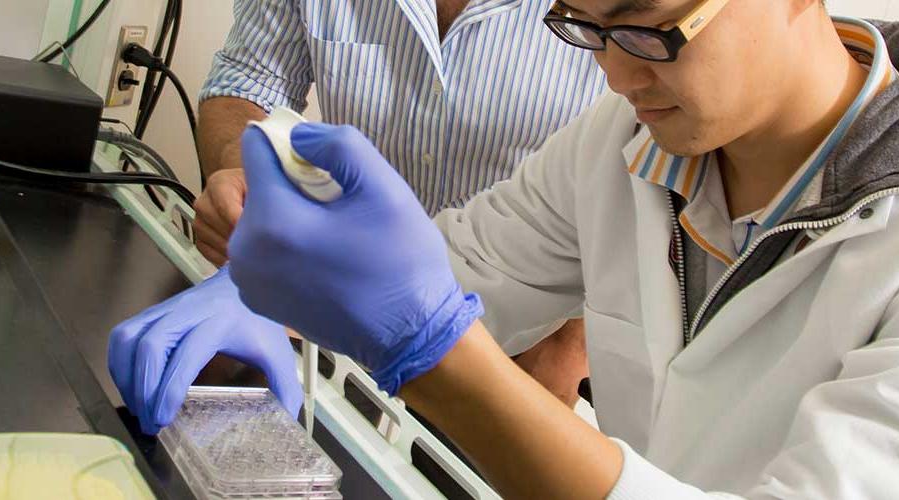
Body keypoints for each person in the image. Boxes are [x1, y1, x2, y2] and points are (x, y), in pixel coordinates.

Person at [111, 0, 899, 496]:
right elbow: (462, 265)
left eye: (650, 29)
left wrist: (435, 357)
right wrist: (274, 288)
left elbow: (431, 315)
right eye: (584, 25)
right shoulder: (627, 145)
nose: (619, 77)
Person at [190, 0, 607, 405]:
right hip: (337, 300)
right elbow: (248, 79)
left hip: (519, 345)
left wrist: (572, 345)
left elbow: (625, 163)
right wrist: (251, 178)